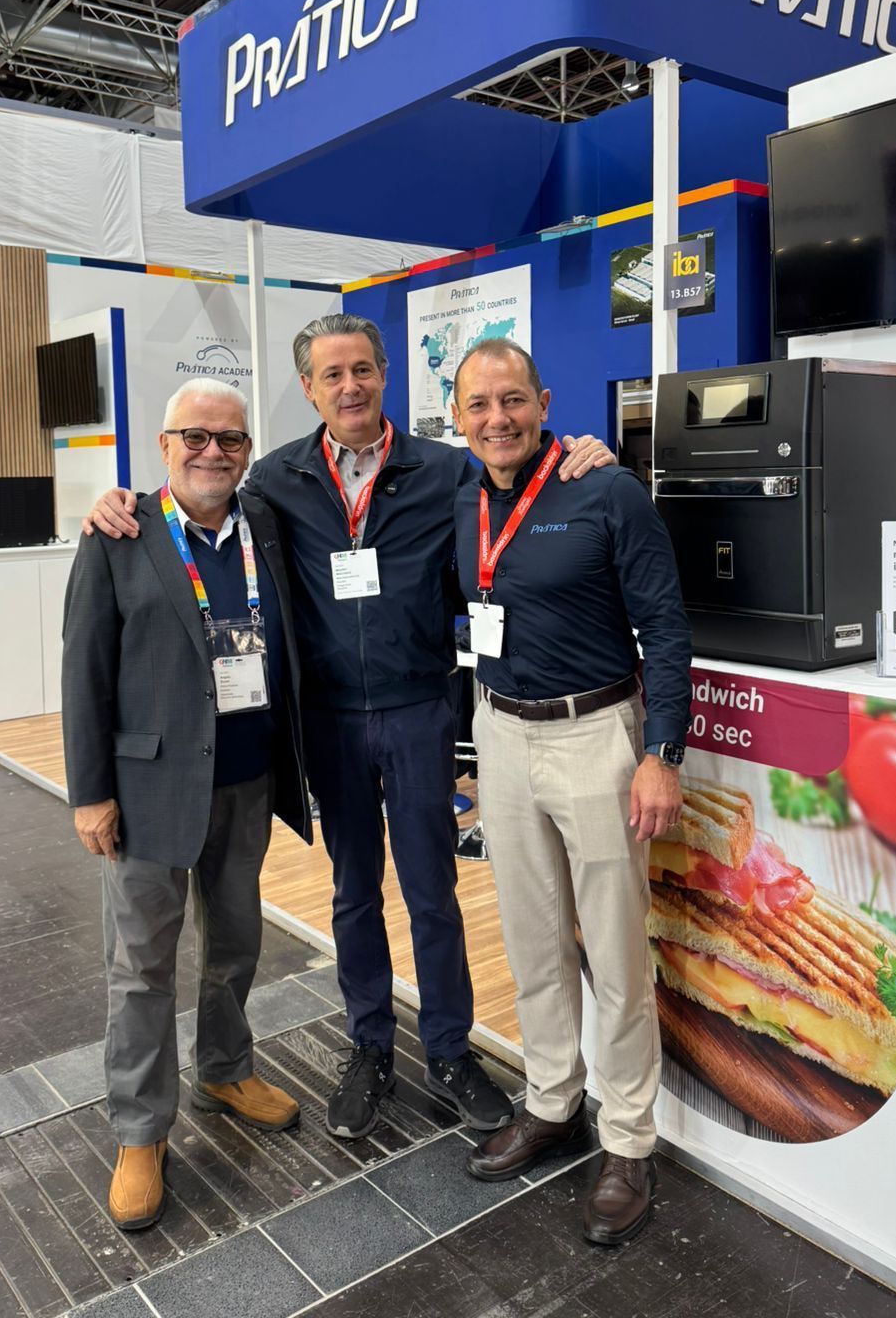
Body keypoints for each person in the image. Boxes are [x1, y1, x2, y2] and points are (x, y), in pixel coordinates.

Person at [87, 313, 612, 1142]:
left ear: (384, 374)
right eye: (331, 376)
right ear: (308, 388)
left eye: (363, 370)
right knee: (353, 893)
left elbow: (526, 475)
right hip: (327, 721)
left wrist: (585, 453)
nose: (350, 387)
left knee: (433, 892)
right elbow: (193, 505)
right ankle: (369, 1045)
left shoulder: (446, 472)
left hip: (417, 714)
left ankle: (447, 1048)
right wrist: (118, 502)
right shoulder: (275, 482)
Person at [450, 338, 690, 1250]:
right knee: (532, 936)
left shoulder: (606, 488)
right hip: (502, 733)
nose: (498, 420)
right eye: (479, 405)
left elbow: (665, 625)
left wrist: (661, 750)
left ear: (543, 402)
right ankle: (551, 1100)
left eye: (512, 401)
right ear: (458, 415)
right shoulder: (455, 492)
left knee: (617, 951)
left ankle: (627, 1141)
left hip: (598, 736)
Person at [63, 379, 311, 1233]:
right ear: (165, 445)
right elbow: (83, 671)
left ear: (248, 451)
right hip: (147, 792)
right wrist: (89, 792)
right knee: (141, 968)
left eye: (231, 440)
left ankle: (224, 1067)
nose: (214, 453)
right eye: (195, 437)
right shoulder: (119, 535)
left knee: (236, 942)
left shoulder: (267, 526)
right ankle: (139, 1130)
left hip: (245, 780)